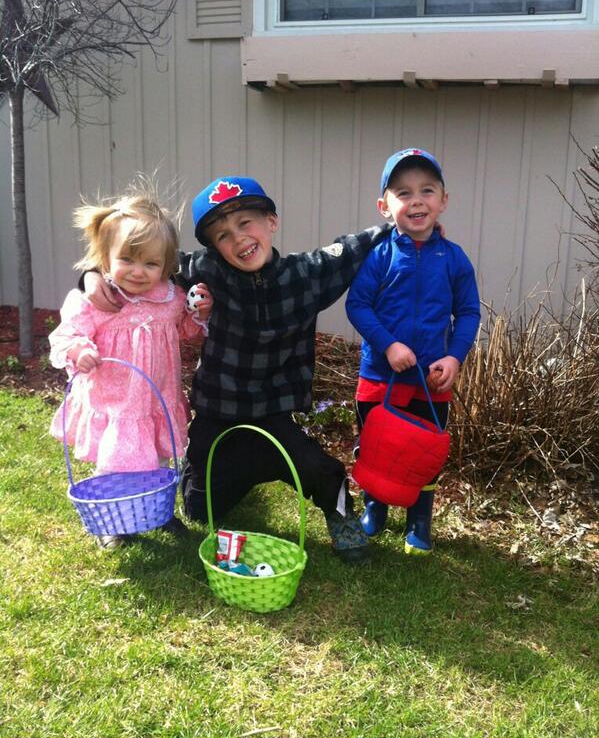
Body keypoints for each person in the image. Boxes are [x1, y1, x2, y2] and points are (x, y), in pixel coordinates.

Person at [83, 176, 392, 563]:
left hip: (274, 414)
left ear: (271, 221)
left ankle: (340, 517)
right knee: (199, 509)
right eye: (223, 234)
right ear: (212, 247)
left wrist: (405, 224)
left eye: (246, 223)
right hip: (218, 415)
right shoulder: (203, 271)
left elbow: (354, 247)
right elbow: (140, 255)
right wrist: (92, 275)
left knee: (319, 468)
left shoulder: (307, 275)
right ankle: (245, 465)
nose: (239, 239)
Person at [50, 181, 213, 549]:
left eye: (151, 263)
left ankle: (156, 510)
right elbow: (66, 333)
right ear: (105, 257)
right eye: (127, 260)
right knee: (116, 460)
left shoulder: (169, 298)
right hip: (116, 400)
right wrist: (78, 350)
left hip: (155, 397)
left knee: (153, 456)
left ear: (166, 265)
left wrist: (196, 313)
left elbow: (184, 330)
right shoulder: (96, 300)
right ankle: (114, 518)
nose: (138, 272)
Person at [345, 148, 481, 554]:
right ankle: (375, 509)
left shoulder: (454, 259)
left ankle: (419, 521)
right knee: (377, 445)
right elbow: (358, 305)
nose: (416, 200)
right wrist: (388, 345)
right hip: (379, 376)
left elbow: (469, 311)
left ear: (443, 201)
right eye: (403, 193)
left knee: (422, 453)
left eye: (427, 190)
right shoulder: (380, 256)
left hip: (432, 380)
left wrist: (454, 356)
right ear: (385, 206)